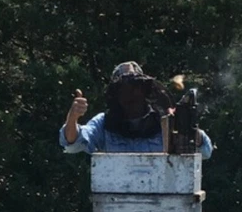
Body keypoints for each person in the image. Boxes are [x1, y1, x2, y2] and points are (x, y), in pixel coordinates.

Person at [60, 61, 213, 158]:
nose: (131, 94)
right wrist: (73, 117)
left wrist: (186, 126)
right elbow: (72, 143)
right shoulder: (103, 122)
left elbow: (205, 150)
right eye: (124, 89)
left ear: (145, 90)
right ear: (116, 95)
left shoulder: (165, 120)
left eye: (135, 87)